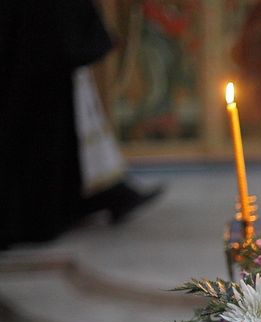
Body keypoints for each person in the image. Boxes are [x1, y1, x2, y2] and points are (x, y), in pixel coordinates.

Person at [0, 0, 161, 250]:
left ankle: (89, 199)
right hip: (41, 49)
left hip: (34, 45)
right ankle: (35, 219)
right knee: (38, 134)